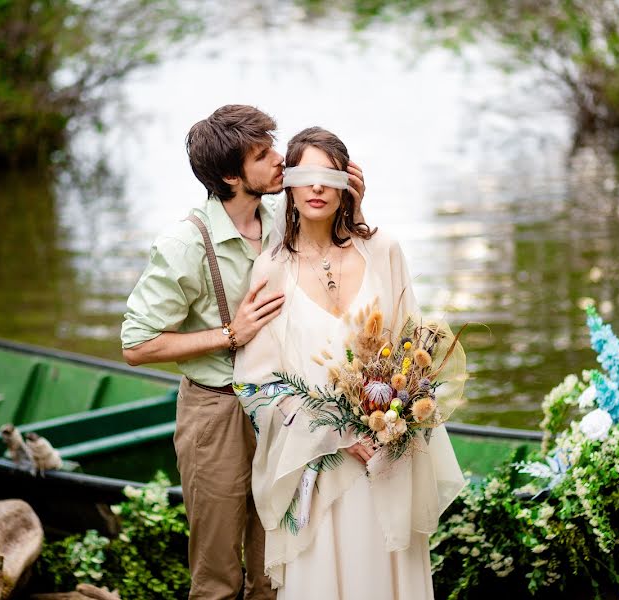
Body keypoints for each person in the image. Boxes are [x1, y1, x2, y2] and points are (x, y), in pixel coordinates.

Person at [120, 106, 366, 600]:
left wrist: (352, 200)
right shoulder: (185, 244)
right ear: (232, 176)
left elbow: (341, 258)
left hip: (284, 407)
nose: (281, 160)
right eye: (264, 154)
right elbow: (137, 344)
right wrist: (229, 334)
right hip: (215, 413)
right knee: (217, 578)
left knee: (276, 563)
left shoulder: (282, 216)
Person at [233, 127, 467, 599]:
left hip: (389, 455)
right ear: (289, 186)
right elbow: (257, 383)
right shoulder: (271, 269)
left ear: (347, 183)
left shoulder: (383, 251)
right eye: (306, 175)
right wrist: (338, 434)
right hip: (319, 464)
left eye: (329, 175)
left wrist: (390, 424)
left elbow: (413, 348)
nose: (317, 187)